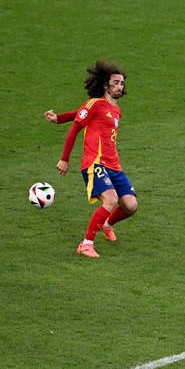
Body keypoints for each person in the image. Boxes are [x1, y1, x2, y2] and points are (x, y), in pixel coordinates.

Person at [45, 60, 138, 258]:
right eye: (115, 83)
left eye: (122, 83)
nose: (119, 86)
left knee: (130, 206)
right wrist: (64, 159)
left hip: (114, 166)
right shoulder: (96, 104)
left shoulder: (116, 111)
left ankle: (106, 224)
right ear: (106, 85)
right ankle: (86, 244)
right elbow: (76, 126)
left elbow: (78, 113)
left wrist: (59, 117)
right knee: (111, 200)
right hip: (94, 163)